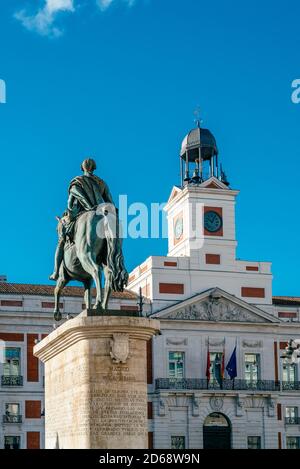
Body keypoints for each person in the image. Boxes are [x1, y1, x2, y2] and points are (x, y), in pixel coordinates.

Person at [49, 158, 115, 281]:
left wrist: (68, 213)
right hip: (103, 214)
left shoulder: (77, 182)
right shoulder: (102, 183)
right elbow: (110, 202)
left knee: (61, 240)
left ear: (82, 168)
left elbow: (70, 204)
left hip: (81, 215)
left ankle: (56, 271)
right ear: (94, 168)